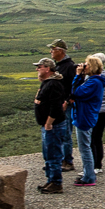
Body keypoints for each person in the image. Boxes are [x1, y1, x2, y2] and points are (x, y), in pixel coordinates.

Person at [68, 55, 105, 186]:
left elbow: (76, 92)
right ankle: (88, 174)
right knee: (85, 146)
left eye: (86, 65)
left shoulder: (93, 82)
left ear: (92, 67)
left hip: (84, 117)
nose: (83, 67)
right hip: (85, 115)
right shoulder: (94, 81)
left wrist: (78, 75)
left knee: (85, 148)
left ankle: (89, 177)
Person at [32, 57, 68, 194]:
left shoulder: (53, 84)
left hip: (53, 126)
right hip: (49, 126)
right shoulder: (48, 83)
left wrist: (48, 123)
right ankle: (50, 180)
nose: (37, 69)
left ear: (47, 68)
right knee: (48, 155)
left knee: (53, 155)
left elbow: (56, 107)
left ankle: (56, 183)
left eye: (39, 67)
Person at [46, 39, 78, 172]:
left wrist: (68, 100)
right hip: (58, 104)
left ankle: (68, 161)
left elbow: (75, 85)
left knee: (65, 133)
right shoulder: (59, 66)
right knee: (59, 133)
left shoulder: (69, 66)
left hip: (66, 105)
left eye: (53, 49)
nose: (51, 52)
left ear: (60, 51)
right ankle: (60, 160)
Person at [90, 52, 105, 173]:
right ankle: (97, 164)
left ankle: (95, 164)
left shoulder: (94, 78)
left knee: (93, 138)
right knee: (97, 137)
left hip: (96, 110)